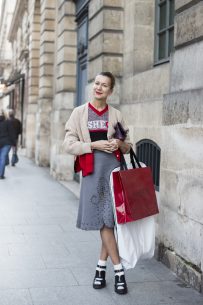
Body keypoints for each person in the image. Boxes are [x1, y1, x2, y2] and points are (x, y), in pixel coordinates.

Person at [63, 72, 132, 294]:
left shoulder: (116, 114)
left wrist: (118, 144)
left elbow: (128, 145)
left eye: (104, 85)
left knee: (108, 221)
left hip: (113, 171)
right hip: (92, 173)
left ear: (110, 91)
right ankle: (119, 270)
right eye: (97, 83)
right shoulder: (79, 112)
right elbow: (69, 143)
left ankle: (101, 268)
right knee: (104, 222)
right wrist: (93, 145)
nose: (99, 88)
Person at [0, 109, 16, 179]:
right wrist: (14, 143)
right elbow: (12, 133)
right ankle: (1, 175)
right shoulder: (8, 122)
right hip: (6, 142)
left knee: (2, 158)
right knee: (2, 158)